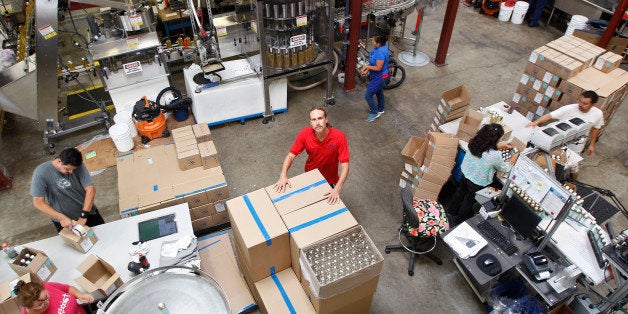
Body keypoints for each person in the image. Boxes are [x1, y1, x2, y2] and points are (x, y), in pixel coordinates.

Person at [274, 106, 350, 204]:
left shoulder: (339, 136)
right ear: (310, 122)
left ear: (326, 119)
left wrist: (338, 188)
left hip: (329, 179)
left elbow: (345, 164)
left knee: (325, 205)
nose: (317, 123)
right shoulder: (304, 134)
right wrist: (283, 175)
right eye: (314, 120)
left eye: (320, 118)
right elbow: (291, 156)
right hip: (310, 175)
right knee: (309, 202)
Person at [446, 124, 516, 226]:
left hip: (466, 172)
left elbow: (485, 150)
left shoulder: (475, 141)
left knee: (460, 192)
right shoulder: (495, 155)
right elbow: (505, 168)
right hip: (477, 181)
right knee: (469, 200)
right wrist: (514, 157)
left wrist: (501, 146)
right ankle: (457, 221)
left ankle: (450, 211)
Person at [526, 90, 604, 179]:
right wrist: (536, 122)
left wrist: (592, 145)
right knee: (551, 163)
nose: (581, 105)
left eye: (585, 103)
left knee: (573, 167)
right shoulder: (569, 109)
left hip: (575, 147)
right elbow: (549, 116)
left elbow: (596, 128)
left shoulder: (597, 114)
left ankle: (573, 183)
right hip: (558, 142)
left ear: (593, 105)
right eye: (580, 101)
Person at [30, 147, 105, 232]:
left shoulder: (78, 165)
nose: (71, 172)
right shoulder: (41, 173)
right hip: (65, 222)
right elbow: (38, 202)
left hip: (87, 213)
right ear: (59, 161)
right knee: (76, 244)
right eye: (67, 169)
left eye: (73, 169)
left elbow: (90, 189)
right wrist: (61, 217)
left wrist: (84, 216)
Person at [15, 280, 94, 314]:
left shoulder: (48, 286)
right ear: (30, 307)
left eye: (47, 296)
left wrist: (80, 295)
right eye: (40, 304)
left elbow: (68, 288)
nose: (47, 302)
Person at [360, 34, 390, 123]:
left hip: (380, 77)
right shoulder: (379, 48)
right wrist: (367, 69)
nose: (372, 42)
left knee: (368, 96)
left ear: (379, 43)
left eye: (373, 41)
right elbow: (374, 64)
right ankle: (381, 109)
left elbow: (378, 68)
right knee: (379, 91)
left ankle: (375, 112)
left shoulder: (380, 52)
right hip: (377, 76)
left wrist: (367, 67)